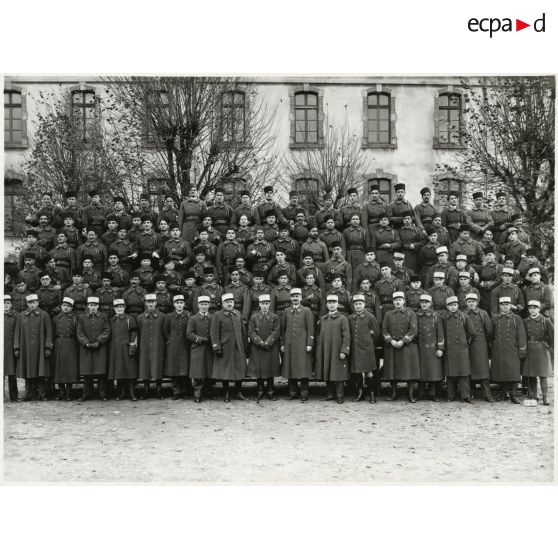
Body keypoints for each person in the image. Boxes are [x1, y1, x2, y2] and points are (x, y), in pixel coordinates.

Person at [210, 292, 249, 402]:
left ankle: (238, 392)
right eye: (227, 302)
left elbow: (243, 331)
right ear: (223, 304)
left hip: (238, 346)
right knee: (225, 371)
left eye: (231, 302)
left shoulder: (238, 313)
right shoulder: (217, 315)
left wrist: (245, 345)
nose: (229, 304)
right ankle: (226, 393)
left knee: (239, 369)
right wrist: (216, 347)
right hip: (225, 347)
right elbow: (214, 333)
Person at [382, 291, 420, 402]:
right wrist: (391, 340)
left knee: (409, 369)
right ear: (393, 302)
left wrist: (403, 341)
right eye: (396, 300)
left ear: (404, 301)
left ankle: (410, 393)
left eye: (400, 300)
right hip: (392, 345)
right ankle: (393, 392)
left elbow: (413, 329)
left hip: (407, 346)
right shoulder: (388, 314)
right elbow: (384, 329)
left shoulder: (410, 313)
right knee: (392, 370)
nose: (398, 302)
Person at [14, 294, 53, 401]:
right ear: (27, 304)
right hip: (25, 348)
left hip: (39, 348)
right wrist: (17, 347)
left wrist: (47, 347)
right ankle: (28, 393)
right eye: (29, 303)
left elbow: (49, 332)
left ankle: (41, 393)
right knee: (27, 371)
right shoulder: (21, 315)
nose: (32, 305)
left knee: (40, 371)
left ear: (38, 303)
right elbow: (17, 333)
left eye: (34, 302)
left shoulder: (44, 315)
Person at [491, 296, 527, 404]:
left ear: (510, 306)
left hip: (512, 348)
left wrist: (522, 350)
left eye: (507, 304)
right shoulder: (495, 318)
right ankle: (503, 393)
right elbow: (491, 334)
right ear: (499, 306)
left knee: (514, 371)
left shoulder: (517, 318)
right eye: (502, 305)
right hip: (499, 349)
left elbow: (522, 335)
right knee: (502, 371)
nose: (505, 307)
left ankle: (514, 394)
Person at [280, 287, 315, 402]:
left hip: (302, 344)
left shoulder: (306, 311)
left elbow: (310, 328)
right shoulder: (286, 311)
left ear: (301, 298)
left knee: (303, 368)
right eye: (293, 296)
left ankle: (304, 393)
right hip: (289, 343)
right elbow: (282, 329)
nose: (295, 298)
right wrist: (282, 343)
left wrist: (309, 343)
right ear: (290, 298)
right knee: (291, 368)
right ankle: (293, 392)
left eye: (297, 296)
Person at [315, 294, 351, 404]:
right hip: (325, 350)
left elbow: (346, 336)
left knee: (338, 372)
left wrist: (344, 350)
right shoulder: (324, 319)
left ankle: (340, 395)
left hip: (337, 350)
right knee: (327, 370)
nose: (331, 305)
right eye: (329, 303)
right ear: (326, 305)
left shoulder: (343, 318)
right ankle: (330, 394)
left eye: (333, 303)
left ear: (337, 304)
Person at [248, 293, 281, 402]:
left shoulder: (275, 317)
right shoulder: (254, 317)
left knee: (270, 368)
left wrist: (267, 342)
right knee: (259, 369)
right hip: (258, 347)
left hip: (271, 347)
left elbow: (276, 331)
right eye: (263, 304)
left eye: (267, 304)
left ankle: (271, 390)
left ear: (270, 304)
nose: (265, 306)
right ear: (259, 305)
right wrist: (260, 342)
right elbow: (251, 332)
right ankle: (260, 390)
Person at [442, 296, 476, 403]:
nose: (453, 307)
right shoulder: (444, 318)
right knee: (450, 373)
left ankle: (466, 395)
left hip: (462, 349)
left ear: (458, 305)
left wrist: (466, 342)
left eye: (455, 305)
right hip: (449, 349)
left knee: (464, 373)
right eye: (450, 305)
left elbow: (472, 332)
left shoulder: (464, 317)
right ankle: (450, 395)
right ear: (447, 307)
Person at [348, 293, 381, 402]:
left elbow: (376, 333)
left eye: (360, 304)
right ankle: (360, 393)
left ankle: (372, 393)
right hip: (355, 348)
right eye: (356, 304)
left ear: (364, 304)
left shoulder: (370, 316)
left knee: (369, 371)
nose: (358, 306)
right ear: (353, 305)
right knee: (357, 371)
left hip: (367, 348)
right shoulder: (350, 318)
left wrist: (370, 343)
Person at [77, 296, 111, 401]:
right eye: (91, 305)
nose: (93, 308)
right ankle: (86, 393)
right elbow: (79, 332)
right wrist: (85, 342)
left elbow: (107, 330)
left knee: (100, 371)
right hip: (86, 348)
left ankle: (102, 393)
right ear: (87, 306)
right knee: (87, 372)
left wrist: (99, 341)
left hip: (100, 348)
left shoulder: (104, 316)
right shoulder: (82, 317)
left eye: (95, 305)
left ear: (98, 306)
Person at [463, 293, 493, 402]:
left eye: (473, 301)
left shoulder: (482, 313)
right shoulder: (463, 314)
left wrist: (483, 340)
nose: (471, 304)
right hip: (468, 345)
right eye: (469, 301)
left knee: (482, 368)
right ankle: (472, 392)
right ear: (466, 303)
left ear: (477, 302)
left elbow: (489, 330)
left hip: (480, 344)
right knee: (470, 368)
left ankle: (487, 393)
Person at [522, 300, 553, 405]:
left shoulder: (545, 320)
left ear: (539, 309)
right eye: (530, 308)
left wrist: (547, 345)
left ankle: (545, 396)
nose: (532, 310)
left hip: (541, 349)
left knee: (543, 374)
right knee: (532, 374)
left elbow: (552, 336)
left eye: (534, 308)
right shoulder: (525, 321)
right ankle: (535, 395)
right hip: (530, 348)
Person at [108, 299, 139, 401]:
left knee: (130, 371)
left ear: (124, 308)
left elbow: (134, 334)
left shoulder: (130, 319)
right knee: (119, 371)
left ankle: (132, 393)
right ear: (114, 308)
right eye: (117, 307)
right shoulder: (111, 320)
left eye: (121, 307)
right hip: (115, 349)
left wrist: (132, 347)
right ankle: (121, 392)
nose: (119, 309)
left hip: (126, 348)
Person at [415, 294, 444, 401]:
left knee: (433, 370)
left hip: (433, 347)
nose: (424, 304)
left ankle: (433, 393)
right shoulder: (416, 315)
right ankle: (421, 392)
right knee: (421, 370)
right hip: (420, 347)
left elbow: (440, 332)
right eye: (422, 302)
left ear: (430, 304)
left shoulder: (436, 316)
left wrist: (440, 348)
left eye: (426, 302)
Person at [137, 293, 166, 399]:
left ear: (156, 303)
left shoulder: (162, 316)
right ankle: (146, 389)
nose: (150, 304)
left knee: (157, 367)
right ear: (145, 303)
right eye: (148, 302)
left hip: (158, 346)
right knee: (145, 367)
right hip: (144, 346)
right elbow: (139, 331)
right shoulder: (140, 317)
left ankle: (159, 389)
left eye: (152, 302)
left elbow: (165, 331)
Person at [186, 296, 214, 402]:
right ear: (198, 306)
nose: (204, 306)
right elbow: (189, 334)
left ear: (209, 305)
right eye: (202, 304)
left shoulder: (212, 317)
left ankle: (209, 392)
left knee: (209, 371)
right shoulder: (193, 319)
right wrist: (201, 339)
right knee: (198, 372)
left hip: (209, 348)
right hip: (197, 348)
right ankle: (197, 394)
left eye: (206, 304)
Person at [52, 297, 80, 401]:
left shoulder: (75, 318)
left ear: (72, 308)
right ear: (61, 307)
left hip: (71, 344)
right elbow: (53, 332)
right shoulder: (55, 318)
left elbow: (78, 332)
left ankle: (68, 392)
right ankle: (61, 391)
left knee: (70, 370)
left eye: (68, 306)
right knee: (58, 370)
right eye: (64, 305)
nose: (66, 308)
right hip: (58, 344)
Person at [4, 295, 19, 402]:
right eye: (4, 303)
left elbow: (18, 331)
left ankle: (14, 396)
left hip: (11, 346)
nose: (6, 305)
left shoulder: (15, 316)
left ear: (11, 305)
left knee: (11, 373)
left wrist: (16, 345)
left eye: (8, 303)